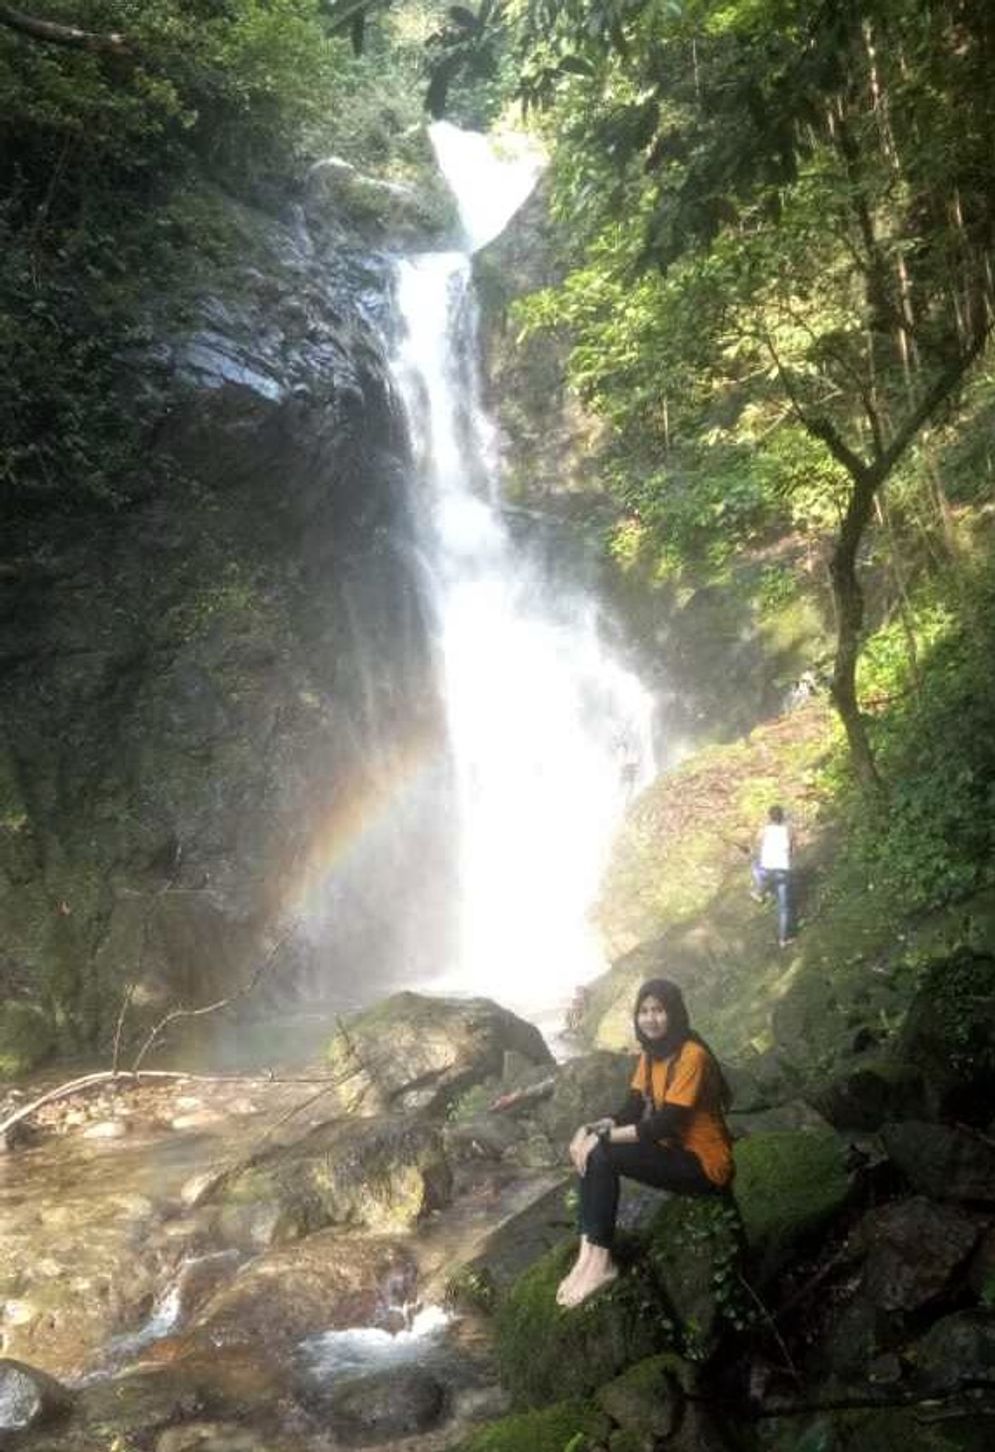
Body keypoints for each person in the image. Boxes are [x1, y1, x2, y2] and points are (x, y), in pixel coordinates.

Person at [555, 978, 734, 1309]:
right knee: (593, 1148)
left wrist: (601, 1138)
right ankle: (589, 1253)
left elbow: (664, 1124)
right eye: (644, 1011)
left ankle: (603, 1263)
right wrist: (589, 1127)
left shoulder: (691, 1056)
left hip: (705, 1166)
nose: (651, 1018)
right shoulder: (651, 1055)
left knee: (603, 1150)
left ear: (675, 1013)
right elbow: (631, 1109)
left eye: (659, 1010)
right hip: (674, 1152)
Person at [751, 804, 794, 947]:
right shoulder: (788, 830)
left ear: (770, 816)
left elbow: (756, 844)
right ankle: (783, 940)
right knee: (784, 908)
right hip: (782, 870)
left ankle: (759, 892)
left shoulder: (764, 830)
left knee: (755, 867)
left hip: (767, 869)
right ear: (782, 816)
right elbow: (792, 849)